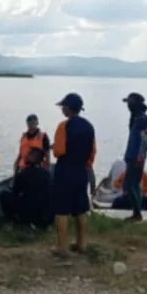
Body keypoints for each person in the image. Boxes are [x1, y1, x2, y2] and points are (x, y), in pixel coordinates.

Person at [51, 93, 97, 257]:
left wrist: (54, 146)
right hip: (81, 170)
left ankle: (62, 247)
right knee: (80, 208)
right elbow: (92, 152)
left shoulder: (63, 126)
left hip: (65, 170)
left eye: (63, 106)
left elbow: (58, 151)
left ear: (68, 108)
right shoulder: (89, 126)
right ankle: (81, 243)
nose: (62, 109)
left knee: (61, 209)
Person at [121, 92, 147, 222]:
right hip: (132, 156)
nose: (127, 107)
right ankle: (137, 212)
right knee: (133, 185)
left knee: (130, 185)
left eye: (129, 104)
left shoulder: (141, 119)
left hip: (137, 158)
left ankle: (137, 214)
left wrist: (140, 157)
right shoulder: (136, 118)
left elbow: (144, 139)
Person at [0, 147, 54, 230]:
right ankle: (43, 224)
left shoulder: (24, 173)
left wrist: (16, 179)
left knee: (3, 195)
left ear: (34, 158)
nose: (26, 156)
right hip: (47, 218)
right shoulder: (47, 174)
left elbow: (15, 192)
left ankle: (13, 221)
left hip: (31, 215)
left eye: (29, 154)